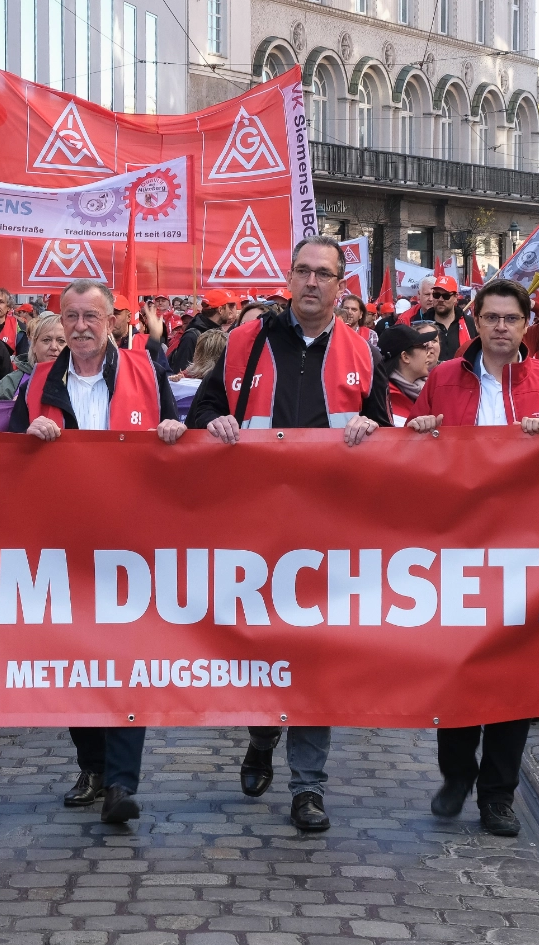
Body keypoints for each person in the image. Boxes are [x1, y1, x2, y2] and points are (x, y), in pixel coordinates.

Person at [187, 235, 391, 832]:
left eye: (323, 273)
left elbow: (383, 427)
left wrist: (369, 426)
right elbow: (203, 411)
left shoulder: (361, 352)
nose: (310, 282)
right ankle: (260, 733)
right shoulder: (244, 343)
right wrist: (214, 420)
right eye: (301, 270)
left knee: (313, 658)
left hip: (325, 532)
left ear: (340, 284)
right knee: (258, 648)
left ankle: (309, 787)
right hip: (253, 527)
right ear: (288, 276)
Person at [406, 280, 539, 837]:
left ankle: (498, 795)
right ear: (476, 322)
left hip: (527, 547)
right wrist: (419, 429)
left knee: (515, 675)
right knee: (458, 667)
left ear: (525, 323)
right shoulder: (441, 379)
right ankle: (457, 774)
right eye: (492, 317)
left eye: (511, 317)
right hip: (458, 543)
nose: (502, 326)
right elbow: (413, 452)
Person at [11, 279, 185, 825]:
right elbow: (5, 459)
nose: (81, 326)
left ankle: (120, 781)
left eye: (92, 315)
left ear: (111, 321)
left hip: (133, 544)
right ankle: (90, 765)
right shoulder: (39, 379)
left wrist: (177, 430)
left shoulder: (145, 369)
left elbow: (180, 433)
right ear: (59, 324)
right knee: (76, 659)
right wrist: (27, 437)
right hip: (65, 543)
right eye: (72, 316)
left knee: (127, 662)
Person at [378, 321, 441, 425]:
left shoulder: (430, 388)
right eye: (423, 347)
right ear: (405, 357)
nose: (428, 352)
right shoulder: (382, 397)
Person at [0, 313, 65, 401]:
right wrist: (15, 408)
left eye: (61, 341)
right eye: (46, 340)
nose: (53, 347)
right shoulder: (12, 381)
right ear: (34, 346)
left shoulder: (80, 380)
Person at [168, 290, 238, 373]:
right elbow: (180, 374)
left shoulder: (217, 331)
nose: (232, 311)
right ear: (220, 310)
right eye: (229, 306)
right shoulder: (192, 336)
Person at [412, 275, 476, 361]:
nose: (440, 299)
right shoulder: (420, 324)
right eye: (436, 295)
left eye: (446, 296)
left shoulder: (470, 323)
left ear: (455, 298)